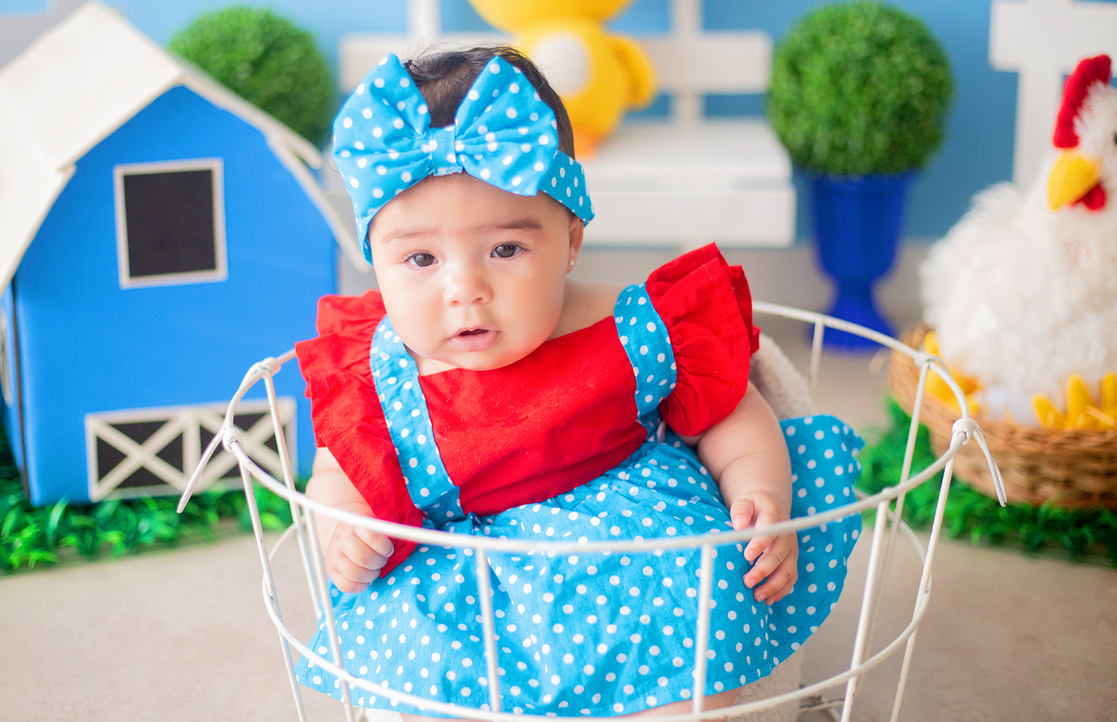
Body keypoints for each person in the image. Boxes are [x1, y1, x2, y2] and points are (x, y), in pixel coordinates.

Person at [295, 47, 862, 719]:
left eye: (506, 249)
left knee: (698, 597)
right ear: (374, 260)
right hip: (464, 566)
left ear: (570, 239)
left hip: (632, 543)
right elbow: (337, 469)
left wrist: (760, 491)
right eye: (420, 258)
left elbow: (729, 412)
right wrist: (347, 526)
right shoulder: (377, 367)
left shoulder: (633, 323)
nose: (465, 290)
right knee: (421, 651)